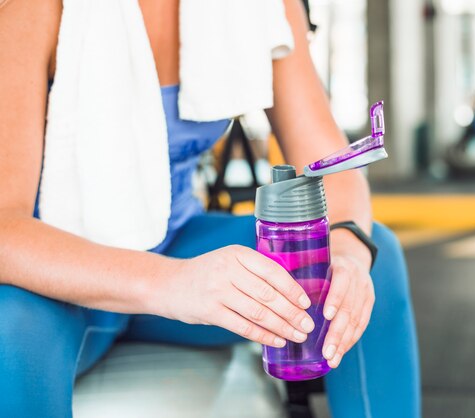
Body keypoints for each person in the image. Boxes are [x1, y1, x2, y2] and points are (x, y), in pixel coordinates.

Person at [0, 0, 420, 417]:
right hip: (61, 278)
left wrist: (347, 252)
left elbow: (333, 164)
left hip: (177, 241)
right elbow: (4, 228)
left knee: (364, 259)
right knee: (11, 325)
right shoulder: (33, 8)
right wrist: (171, 284)